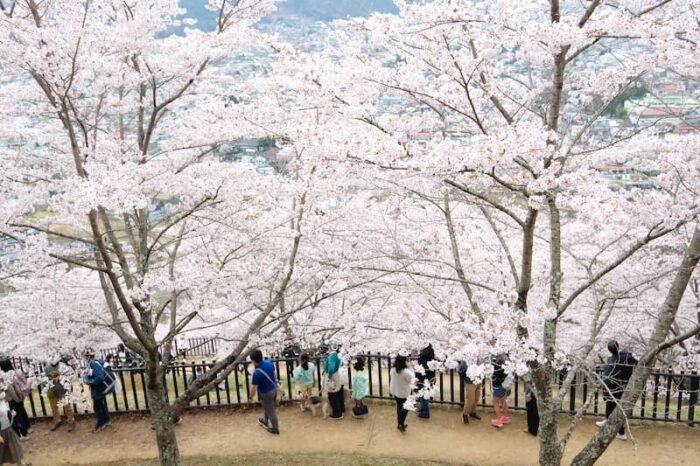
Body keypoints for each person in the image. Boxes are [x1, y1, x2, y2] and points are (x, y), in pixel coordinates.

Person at [596, 340, 638, 440]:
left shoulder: (627, 356)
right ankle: (607, 420)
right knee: (610, 405)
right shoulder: (612, 358)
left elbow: (638, 362)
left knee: (618, 409)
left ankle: (621, 432)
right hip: (610, 386)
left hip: (620, 387)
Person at [82, 350, 114, 433]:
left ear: (88, 356)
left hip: (97, 388)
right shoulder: (97, 361)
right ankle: (106, 420)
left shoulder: (93, 363)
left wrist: (89, 382)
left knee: (97, 406)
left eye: (84, 356)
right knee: (100, 405)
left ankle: (101, 424)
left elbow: (99, 377)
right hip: (100, 388)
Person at [0, 359, 32, 440]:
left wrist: (16, 399)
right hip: (20, 395)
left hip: (13, 398)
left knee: (17, 415)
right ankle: (28, 427)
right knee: (22, 411)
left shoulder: (6, 376)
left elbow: (11, 390)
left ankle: (23, 433)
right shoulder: (15, 372)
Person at [250, 349, 280, 435]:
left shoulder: (257, 373)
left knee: (271, 410)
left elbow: (254, 388)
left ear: (253, 361)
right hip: (274, 388)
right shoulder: (269, 363)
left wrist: (251, 397)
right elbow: (274, 374)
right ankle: (265, 420)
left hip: (266, 393)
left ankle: (275, 429)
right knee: (267, 406)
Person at [43, 355, 75, 432]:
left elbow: (70, 375)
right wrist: (54, 376)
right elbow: (45, 378)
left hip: (63, 389)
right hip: (52, 390)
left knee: (67, 408)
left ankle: (71, 421)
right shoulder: (46, 368)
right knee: (54, 408)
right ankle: (57, 421)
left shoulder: (63, 366)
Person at [0, 392, 28, 465]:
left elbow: (5, 413)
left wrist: (11, 414)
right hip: (1, 431)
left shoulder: (2, 401)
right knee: (1, 451)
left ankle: (21, 462)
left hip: (9, 428)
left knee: (16, 445)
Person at [389, 355, 414, 433]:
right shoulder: (406, 372)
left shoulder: (393, 369)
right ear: (404, 362)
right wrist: (411, 367)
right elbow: (412, 380)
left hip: (395, 391)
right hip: (404, 393)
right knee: (406, 408)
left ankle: (399, 424)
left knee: (399, 406)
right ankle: (401, 423)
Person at [323, 349, 345, 420]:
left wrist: (329, 376)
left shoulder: (332, 356)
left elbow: (331, 367)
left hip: (333, 376)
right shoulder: (338, 355)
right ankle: (342, 410)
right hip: (338, 375)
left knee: (333, 395)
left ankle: (337, 414)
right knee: (339, 393)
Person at [416, 344, 435, 419]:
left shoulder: (426, 351)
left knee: (424, 394)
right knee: (424, 393)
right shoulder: (431, 350)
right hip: (429, 375)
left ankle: (425, 413)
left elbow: (421, 361)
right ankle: (423, 409)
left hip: (425, 375)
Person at [490, 358, 511, 428]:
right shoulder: (506, 366)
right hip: (504, 386)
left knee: (495, 402)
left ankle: (498, 420)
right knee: (504, 401)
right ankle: (505, 417)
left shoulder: (496, 367)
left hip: (497, 386)